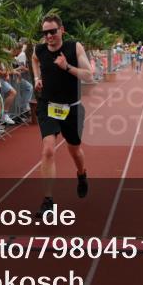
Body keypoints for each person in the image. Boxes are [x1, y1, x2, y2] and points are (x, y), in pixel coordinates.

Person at [31, 13, 94, 217]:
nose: (49, 36)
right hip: (48, 106)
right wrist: (37, 77)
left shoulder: (74, 47)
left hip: (72, 108)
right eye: (45, 32)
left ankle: (82, 174)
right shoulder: (38, 50)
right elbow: (34, 60)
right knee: (48, 150)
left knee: (74, 150)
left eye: (52, 31)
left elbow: (88, 75)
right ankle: (48, 201)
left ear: (62, 30)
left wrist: (66, 66)